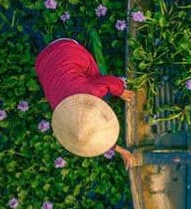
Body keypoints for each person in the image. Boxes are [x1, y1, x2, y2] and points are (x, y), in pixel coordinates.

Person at [34, 37, 137, 169]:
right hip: (42, 61)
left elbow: (109, 82)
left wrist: (121, 91)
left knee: (99, 79)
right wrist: (121, 151)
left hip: (65, 46)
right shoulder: (60, 111)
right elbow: (88, 133)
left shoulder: (91, 93)